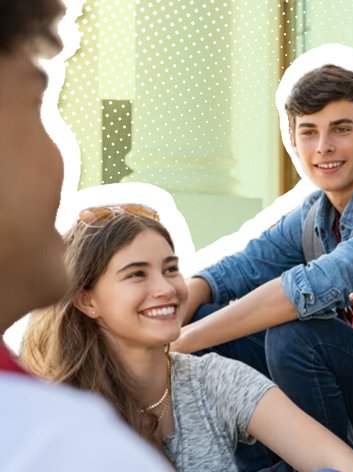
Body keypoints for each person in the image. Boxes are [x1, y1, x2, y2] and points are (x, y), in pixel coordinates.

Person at [171, 64, 353, 471]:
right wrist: (169, 327)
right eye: (309, 132)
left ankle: (309, 464)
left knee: (295, 336)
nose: (323, 146)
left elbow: (309, 288)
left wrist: (177, 345)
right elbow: (231, 273)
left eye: (341, 129)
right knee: (213, 324)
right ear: (293, 141)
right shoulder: (315, 214)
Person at [21, 205, 353, 472]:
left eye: (170, 269)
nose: (165, 289)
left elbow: (341, 463)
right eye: (136, 275)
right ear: (88, 300)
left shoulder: (212, 379)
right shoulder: (60, 410)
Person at [0, 1, 173, 470]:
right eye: (35, 104)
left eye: (170, 268)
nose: (62, 157)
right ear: (86, 299)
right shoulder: (59, 445)